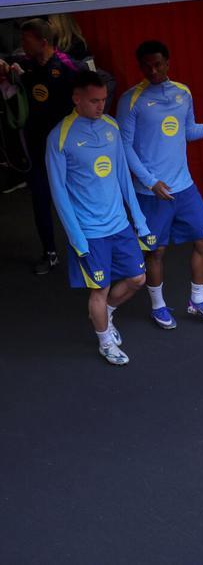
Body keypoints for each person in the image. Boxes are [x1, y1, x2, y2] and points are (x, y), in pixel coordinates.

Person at [116, 40, 203, 329]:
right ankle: (158, 306)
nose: (153, 71)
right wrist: (150, 182)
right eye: (147, 66)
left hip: (184, 186)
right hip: (151, 192)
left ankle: (197, 301)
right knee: (156, 251)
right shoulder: (131, 100)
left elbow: (188, 131)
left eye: (158, 64)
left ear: (168, 63)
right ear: (140, 67)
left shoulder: (183, 92)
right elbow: (124, 147)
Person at [45, 71, 151, 365]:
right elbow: (59, 193)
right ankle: (105, 343)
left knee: (137, 278)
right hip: (90, 231)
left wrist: (139, 220)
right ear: (76, 98)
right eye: (94, 101)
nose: (101, 106)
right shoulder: (59, 137)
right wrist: (77, 238)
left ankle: (107, 313)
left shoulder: (111, 126)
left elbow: (123, 177)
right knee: (99, 289)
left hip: (119, 225)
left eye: (104, 99)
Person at [0, 19, 81, 274]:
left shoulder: (68, 67)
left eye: (26, 40)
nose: (22, 45)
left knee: (78, 200)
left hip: (67, 149)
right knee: (40, 200)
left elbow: (97, 87)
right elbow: (9, 76)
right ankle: (50, 253)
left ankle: (88, 249)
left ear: (43, 42)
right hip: (37, 149)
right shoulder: (24, 65)